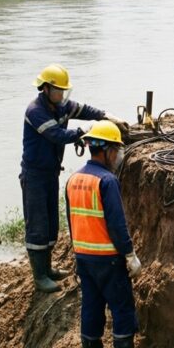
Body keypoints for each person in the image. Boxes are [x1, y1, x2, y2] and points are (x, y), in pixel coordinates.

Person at [22, 63, 130, 293]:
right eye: (59, 90)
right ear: (46, 89)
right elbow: (58, 136)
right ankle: (39, 275)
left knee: (51, 223)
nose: (63, 95)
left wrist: (108, 117)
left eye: (64, 91)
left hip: (50, 172)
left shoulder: (61, 105)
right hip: (34, 175)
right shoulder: (35, 111)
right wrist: (85, 133)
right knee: (38, 224)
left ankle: (48, 269)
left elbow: (84, 109)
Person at [66, 121, 152, 348]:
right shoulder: (107, 181)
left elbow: (71, 221)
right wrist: (129, 255)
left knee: (91, 308)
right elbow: (117, 224)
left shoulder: (73, 179)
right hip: (108, 258)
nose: (118, 155)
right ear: (106, 151)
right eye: (116, 150)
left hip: (84, 257)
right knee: (122, 308)